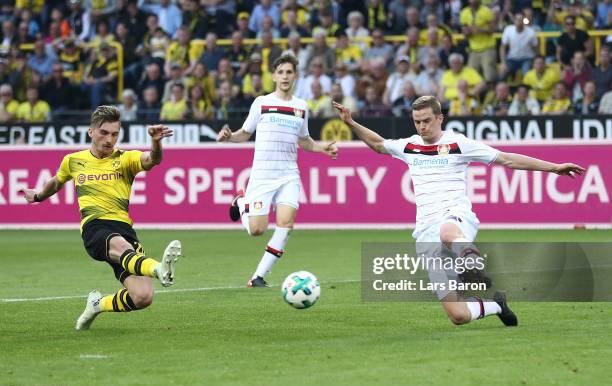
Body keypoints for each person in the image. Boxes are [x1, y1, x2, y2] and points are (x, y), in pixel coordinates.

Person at [332, 96, 584, 327]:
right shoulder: (409, 146)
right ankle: (497, 304)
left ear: (440, 118)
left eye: (427, 121)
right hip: (425, 233)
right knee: (458, 315)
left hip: (455, 217)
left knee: (447, 232)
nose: (422, 127)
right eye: (417, 121)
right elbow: (378, 144)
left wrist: (553, 168)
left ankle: (472, 261)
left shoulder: (458, 143)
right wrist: (351, 122)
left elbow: (506, 159)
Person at [20, 106, 182, 330]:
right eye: (104, 133)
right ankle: (158, 269)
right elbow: (56, 181)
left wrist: (156, 142)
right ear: (91, 132)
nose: (110, 139)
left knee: (143, 296)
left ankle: (97, 304)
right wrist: (37, 196)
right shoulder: (73, 161)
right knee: (120, 245)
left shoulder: (125, 159)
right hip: (94, 227)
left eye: (115, 134)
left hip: (124, 228)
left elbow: (153, 159)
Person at [217, 54, 338, 288]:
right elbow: (245, 133)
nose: (285, 76)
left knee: (286, 223)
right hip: (263, 175)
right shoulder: (261, 103)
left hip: (288, 175)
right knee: (257, 230)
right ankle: (242, 203)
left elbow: (304, 141)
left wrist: (323, 148)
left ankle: (258, 277)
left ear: (295, 76)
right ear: (274, 76)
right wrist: (229, 137)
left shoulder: (301, 107)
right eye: (281, 72)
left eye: (289, 72)